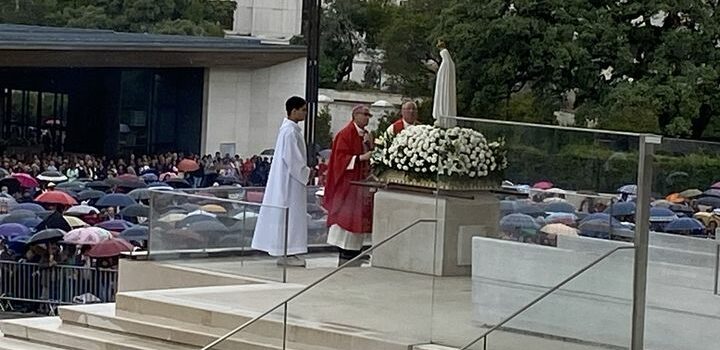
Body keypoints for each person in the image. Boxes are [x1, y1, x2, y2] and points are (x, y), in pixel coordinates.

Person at [252, 96, 312, 267]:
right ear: (294, 111)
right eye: (303, 109)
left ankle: (288, 250)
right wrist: (306, 172)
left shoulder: (289, 130)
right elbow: (293, 159)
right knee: (292, 216)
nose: (305, 113)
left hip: (290, 180)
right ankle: (289, 251)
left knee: (291, 216)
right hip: (290, 183)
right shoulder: (290, 132)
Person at [323, 104, 374, 266]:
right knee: (346, 220)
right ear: (355, 115)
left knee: (357, 220)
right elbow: (339, 159)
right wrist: (360, 158)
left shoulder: (365, 134)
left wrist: (370, 145)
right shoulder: (345, 134)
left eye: (368, 115)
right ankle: (346, 251)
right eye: (365, 114)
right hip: (348, 185)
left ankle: (355, 250)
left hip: (361, 186)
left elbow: (370, 154)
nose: (367, 118)